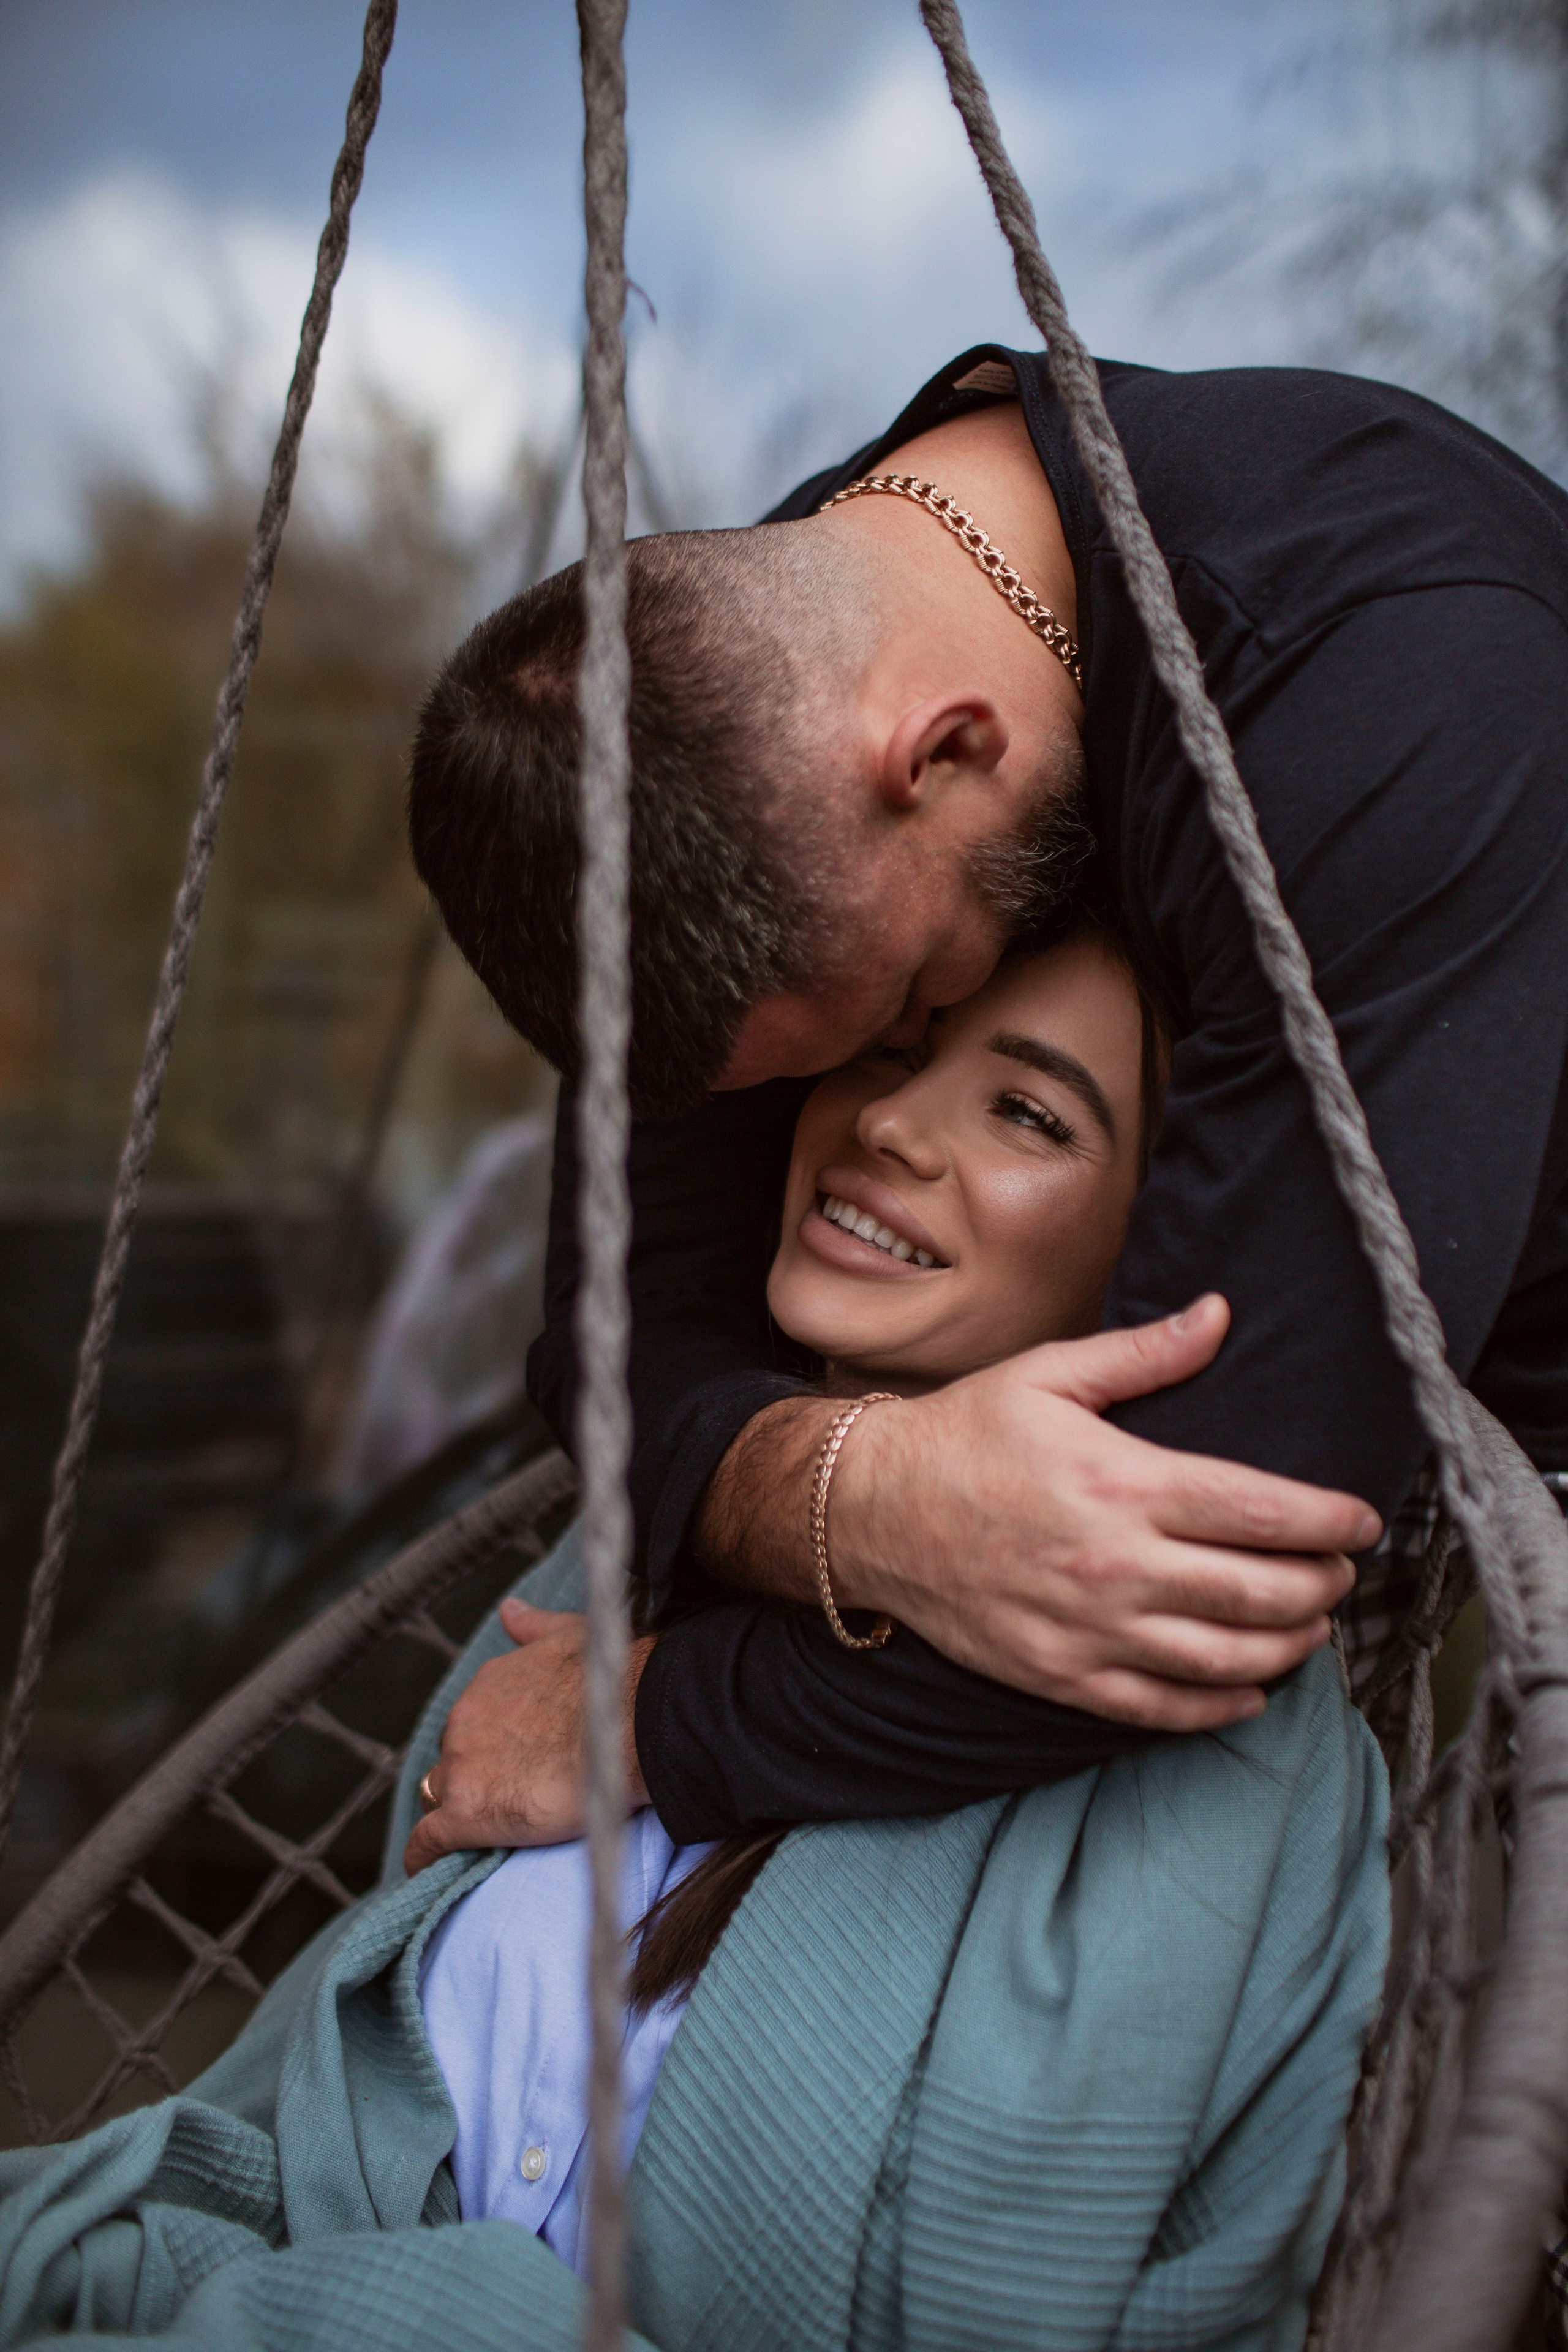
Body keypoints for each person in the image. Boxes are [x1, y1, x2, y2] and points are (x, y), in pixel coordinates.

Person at [0, 925, 1389, 2352]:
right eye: (892, 1053)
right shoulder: (624, 1561)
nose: (890, 1121)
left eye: (1028, 1112)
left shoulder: (1224, 1750)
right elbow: (316, 2124)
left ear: (1146, 1259)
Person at [403, 341, 1568, 1858]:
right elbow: (615, 1336)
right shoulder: (739, 695)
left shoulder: (1394, 681)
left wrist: (646, 1714)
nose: (889, 1091)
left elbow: (1199, 1556)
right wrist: (863, 1495)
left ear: (942, 751)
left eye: (898, 1008)